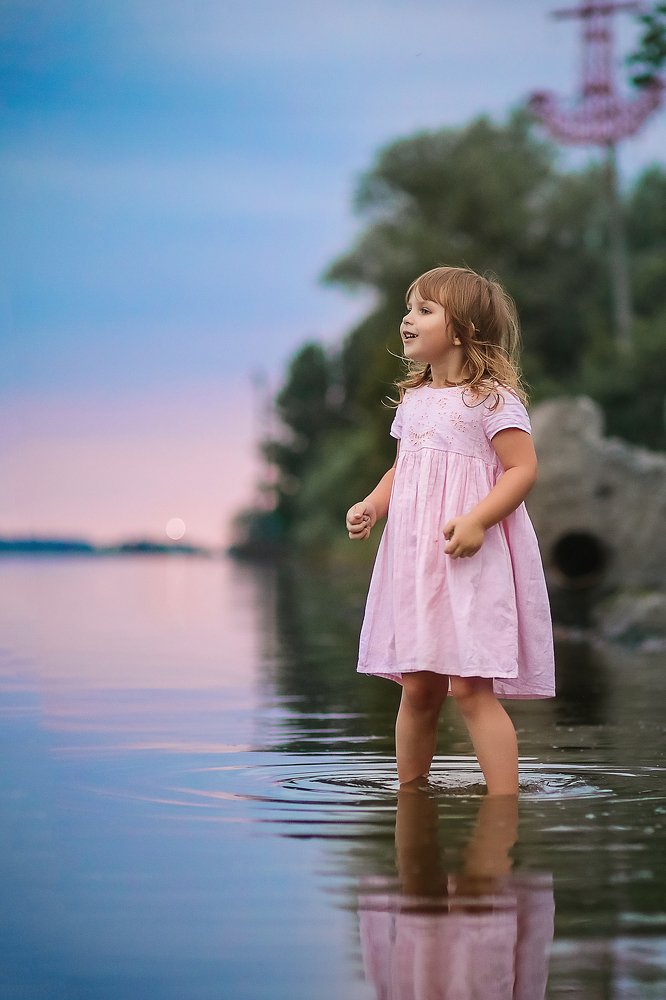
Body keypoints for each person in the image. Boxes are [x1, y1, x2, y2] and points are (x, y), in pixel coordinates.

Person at [345, 265, 555, 795]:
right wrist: (373, 502)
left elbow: (521, 469)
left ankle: (503, 804)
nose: (406, 319)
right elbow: (406, 467)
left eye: (423, 310)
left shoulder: (490, 400)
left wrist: (478, 519)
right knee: (417, 687)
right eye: (408, 308)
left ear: (460, 330)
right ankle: (410, 795)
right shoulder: (414, 403)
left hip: (468, 554)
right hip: (417, 559)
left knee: (469, 686)